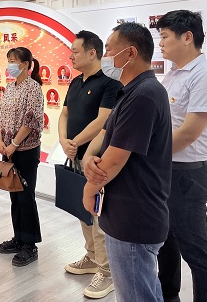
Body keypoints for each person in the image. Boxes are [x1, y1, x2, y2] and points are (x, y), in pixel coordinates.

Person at [82, 22, 172, 301]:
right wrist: (89, 157)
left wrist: (88, 190)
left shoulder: (144, 94)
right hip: (127, 213)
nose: (105, 56)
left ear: (130, 53)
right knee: (144, 290)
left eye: (109, 50)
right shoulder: (131, 91)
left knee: (135, 294)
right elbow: (106, 134)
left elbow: (114, 160)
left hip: (134, 217)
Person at [156, 10, 207, 302]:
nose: (160, 43)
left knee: (196, 251)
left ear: (187, 37)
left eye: (165, 36)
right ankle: (168, 296)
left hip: (188, 176)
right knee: (166, 244)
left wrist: (147, 154)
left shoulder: (206, 76)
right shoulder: (174, 74)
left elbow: (188, 134)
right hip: (167, 169)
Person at [58, 30, 122, 299]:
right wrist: (64, 141)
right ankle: (92, 257)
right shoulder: (75, 82)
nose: (71, 56)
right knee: (83, 210)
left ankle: (107, 271)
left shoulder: (110, 84)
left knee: (98, 216)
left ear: (92, 52)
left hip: (96, 159)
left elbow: (103, 121)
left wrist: (75, 142)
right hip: (75, 156)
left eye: (75, 52)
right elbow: (64, 114)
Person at [0, 47, 44, 267]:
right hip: (8, 151)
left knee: (26, 197)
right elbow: (1, 117)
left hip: (25, 151)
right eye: (8, 60)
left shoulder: (33, 88)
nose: (10, 65)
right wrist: (0, 141)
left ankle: (30, 244)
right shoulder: (9, 87)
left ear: (25, 64)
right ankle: (18, 238)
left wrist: (14, 144)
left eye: (13, 61)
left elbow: (31, 120)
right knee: (14, 196)